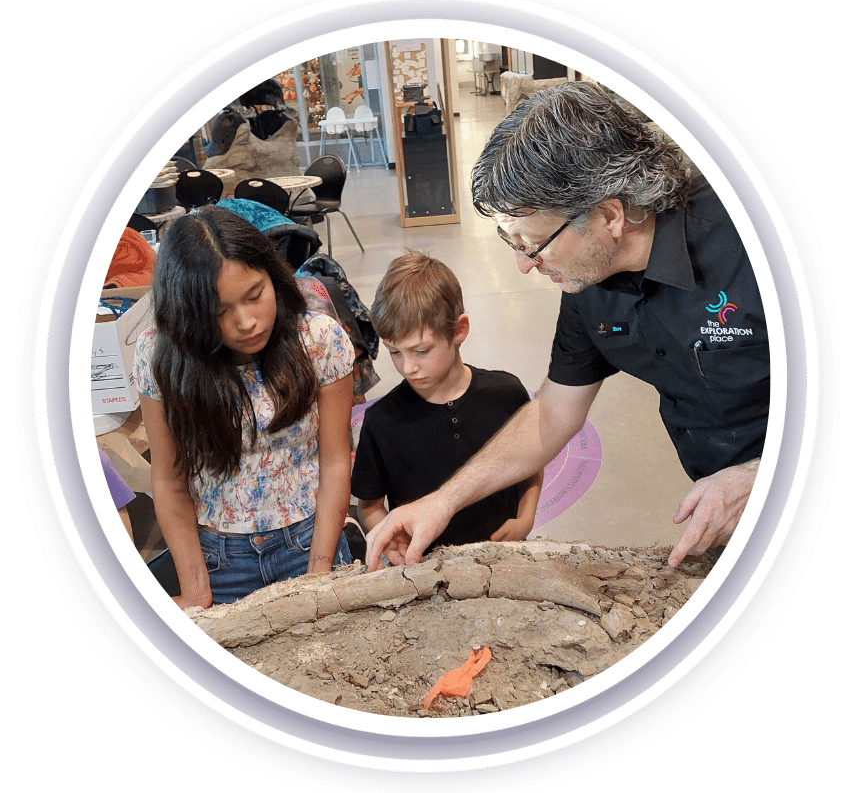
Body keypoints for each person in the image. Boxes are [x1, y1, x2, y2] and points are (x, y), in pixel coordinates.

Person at [366, 82, 768, 572]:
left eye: (532, 243)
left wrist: (760, 477)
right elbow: (554, 412)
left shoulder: (757, 240)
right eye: (509, 240)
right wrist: (442, 501)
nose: (523, 266)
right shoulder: (587, 278)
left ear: (609, 215)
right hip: (726, 506)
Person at [134, 206, 355, 608]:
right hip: (218, 558)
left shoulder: (318, 339)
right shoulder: (160, 357)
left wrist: (319, 572)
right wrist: (197, 588)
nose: (248, 321)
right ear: (189, 315)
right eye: (219, 312)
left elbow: (336, 461)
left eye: (255, 295)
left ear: (272, 274)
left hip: (309, 540)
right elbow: (168, 480)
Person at [352, 252, 543, 551]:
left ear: (459, 331)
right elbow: (369, 506)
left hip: (505, 559)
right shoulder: (380, 422)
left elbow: (530, 462)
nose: (407, 367)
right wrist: (395, 540)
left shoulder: (506, 393)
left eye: (421, 351)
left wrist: (526, 518)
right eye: (394, 352)